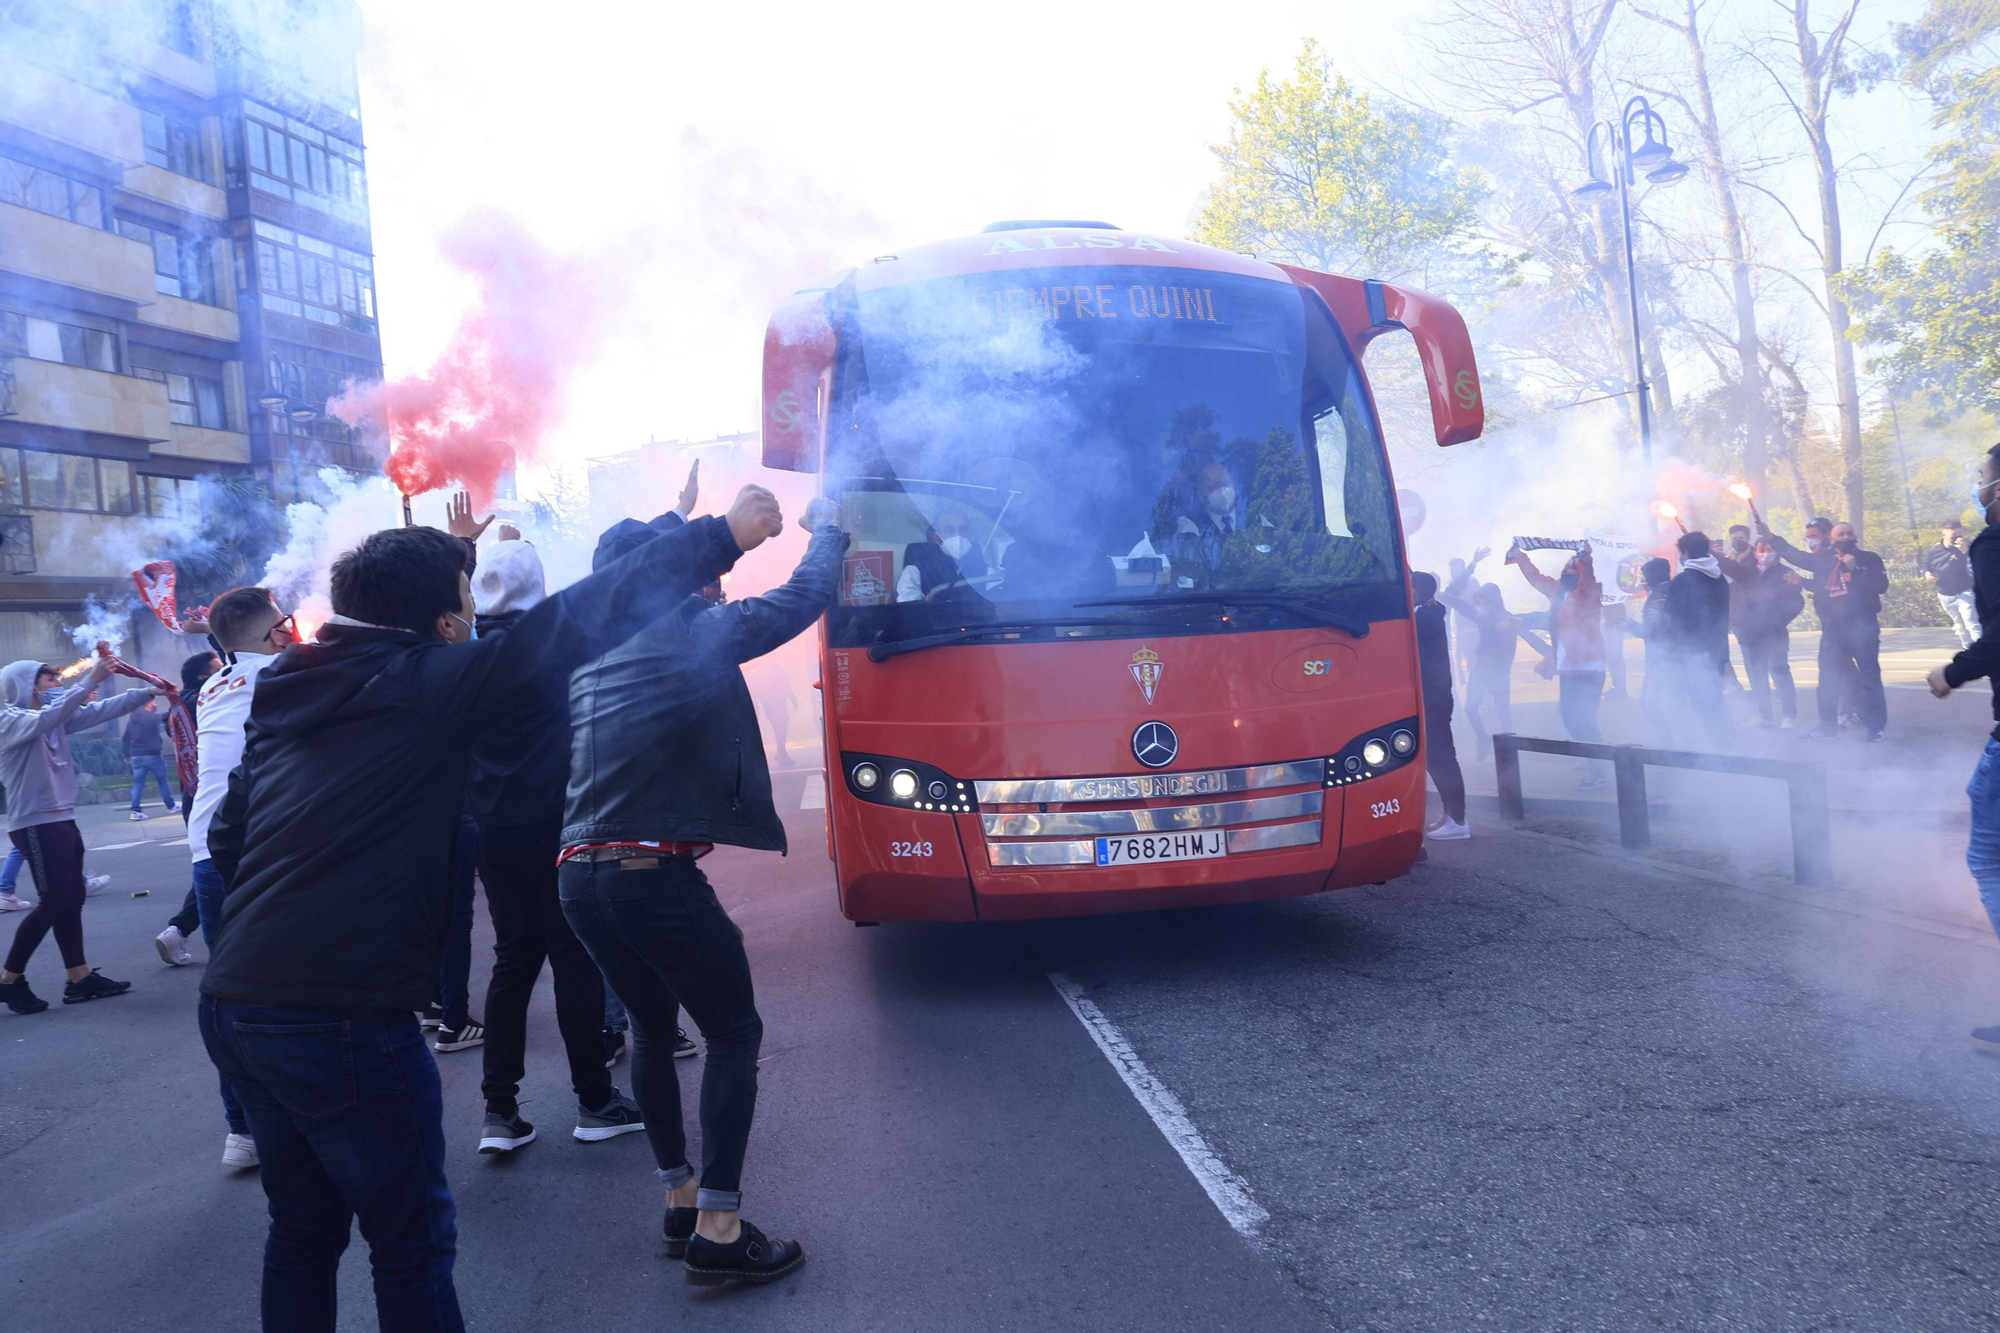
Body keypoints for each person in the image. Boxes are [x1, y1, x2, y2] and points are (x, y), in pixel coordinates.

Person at [198, 489, 771, 1331]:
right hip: (344, 1011)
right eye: (463, 603)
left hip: (238, 1002)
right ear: (443, 624)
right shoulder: (432, 682)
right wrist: (720, 536)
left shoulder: (289, 685)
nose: (474, 615)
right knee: (411, 1241)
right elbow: (571, 621)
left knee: (304, 1229)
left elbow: (226, 836)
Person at [559, 497, 844, 1288]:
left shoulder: (586, 654)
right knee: (733, 1031)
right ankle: (720, 1227)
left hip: (577, 874)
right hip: (649, 870)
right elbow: (799, 600)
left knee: (651, 1030)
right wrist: (832, 530)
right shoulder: (687, 631)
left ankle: (681, 1200)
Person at [467, 525, 646, 1155]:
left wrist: (477, 552)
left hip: (493, 826)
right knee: (573, 957)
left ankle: (500, 1112)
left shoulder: (465, 654)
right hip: (559, 821)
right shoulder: (553, 646)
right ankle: (595, 1101)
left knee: (513, 961)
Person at [181, 587, 297, 1168]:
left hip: (206, 850)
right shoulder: (284, 674)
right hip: (260, 848)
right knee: (292, 988)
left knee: (230, 993)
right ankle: (297, 1120)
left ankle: (242, 1129)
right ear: (276, 633)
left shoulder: (213, 684)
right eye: (285, 623)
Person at [0, 658, 161, 1013]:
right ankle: (9, 980)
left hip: (62, 817)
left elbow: (100, 710)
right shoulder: (8, 719)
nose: (55, 682)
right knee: (54, 901)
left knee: (71, 898)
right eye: (48, 678)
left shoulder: (53, 719)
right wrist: (90, 679)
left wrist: (146, 691)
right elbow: (47, 717)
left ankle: (79, 977)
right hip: (35, 822)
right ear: (24, 685)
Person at [1929, 445, 2000, 1051]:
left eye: (1983, 479)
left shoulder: (1994, 543)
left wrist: (1954, 671)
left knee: (1990, 860)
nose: (1978, 489)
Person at [1760, 516, 1889, 741]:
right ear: (1832, 538)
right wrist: (1771, 538)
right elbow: (1795, 555)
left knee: (1870, 678)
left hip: (1862, 626)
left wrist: (1855, 568)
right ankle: (1826, 726)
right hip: (1833, 628)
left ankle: (1875, 727)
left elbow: (1880, 586)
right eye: (1841, 535)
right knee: (1828, 678)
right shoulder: (1823, 559)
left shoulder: (1869, 559)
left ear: (1856, 537)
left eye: (1849, 534)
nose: (1846, 538)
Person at [1506, 543, 1607, 786]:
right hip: (1569, 668)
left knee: (1584, 720)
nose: (1567, 572)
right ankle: (1589, 755)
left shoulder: (1587, 596)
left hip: (1589, 667)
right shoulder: (1558, 593)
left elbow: (1589, 581)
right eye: (1567, 569)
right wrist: (1520, 556)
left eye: (1572, 570)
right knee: (1568, 715)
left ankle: (1599, 771)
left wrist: (1585, 559)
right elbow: (1536, 578)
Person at [155, 651, 224, 963]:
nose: (225, 672)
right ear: (202, 676)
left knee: (219, 864)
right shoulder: (202, 702)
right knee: (219, 864)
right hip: (213, 796)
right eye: (218, 668)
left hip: (195, 795)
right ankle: (180, 930)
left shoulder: (179, 705)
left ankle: (179, 932)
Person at [1658, 531, 1736, 750]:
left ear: (1687, 553)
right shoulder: (1719, 578)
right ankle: (1728, 743)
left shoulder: (1683, 581)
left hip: (1692, 653)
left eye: (1681, 552)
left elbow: (1670, 620)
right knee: (1713, 699)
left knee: (1703, 702)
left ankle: (1726, 749)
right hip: (1718, 649)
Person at [1411, 572, 1468, 839]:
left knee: (1442, 758)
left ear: (1419, 592)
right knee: (1437, 758)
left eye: (1408, 587)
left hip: (1434, 698)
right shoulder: (1427, 611)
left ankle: (1458, 821)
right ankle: (1450, 813)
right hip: (1433, 696)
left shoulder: (1425, 617)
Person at [1729, 539, 1806, 729]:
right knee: (1757, 675)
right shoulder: (1748, 573)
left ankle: (1789, 715)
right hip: (1751, 634)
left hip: (1774, 634)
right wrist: (1740, 624)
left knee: (1780, 673)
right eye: (1761, 550)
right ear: (1755, 553)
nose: (1765, 553)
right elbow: (1736, 599)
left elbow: (1796, 603)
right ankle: (1764, 714)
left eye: (1770, 550)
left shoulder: (1785, 574)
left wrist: (1777, 621)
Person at [896, 505, 989, 603]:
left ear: (970, 535)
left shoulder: (987, 572)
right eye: (950, 530)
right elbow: (909, 612)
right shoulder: (914, 573)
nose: (957, 535)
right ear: (936, 538)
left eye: (963, 529)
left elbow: (998, 609)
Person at [1627, 557, 1675, 741]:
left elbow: (1653, 630)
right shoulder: (1669, 590)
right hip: (1671, 658)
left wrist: (1629, 625)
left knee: (1649, 702)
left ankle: (1668, 743)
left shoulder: (1659, 595)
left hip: (1662, 661)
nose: (1643, 580)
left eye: (1645, 576)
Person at [1924, 518, 1980, 650]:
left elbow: (1978, 565)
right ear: (1944, 534)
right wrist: (1927, 573)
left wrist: (1966, 552)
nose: (1957, 538)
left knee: (1971, 623)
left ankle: (1982, 653)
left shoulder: (1968, 546)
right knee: (1959, 626)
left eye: (1959, 535)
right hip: (1945, 594)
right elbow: (1926, 564)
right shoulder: (1934, 550)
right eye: (1953, 535)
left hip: (1965, 591)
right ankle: (1968, 651)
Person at [124, 697, 178, 821]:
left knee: (138, 784)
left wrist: (126, 754)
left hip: (137, 756)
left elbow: (126, 737)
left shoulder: (132, 720)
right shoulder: (152, 718)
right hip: (153, 755)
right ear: (148, 703)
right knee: (162, 781)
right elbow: (166, 718)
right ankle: (171, 806)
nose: (155, 704)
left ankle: (135, 810)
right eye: (153, 701)